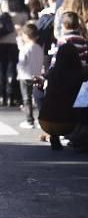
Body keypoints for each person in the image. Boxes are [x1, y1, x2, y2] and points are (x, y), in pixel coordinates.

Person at [39, 12, 87, 150]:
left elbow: (56, 61)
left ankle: (56, 137)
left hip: (48, 121)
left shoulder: (61, 41)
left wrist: (47, 75)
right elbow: (85, 58)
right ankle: (80, 135)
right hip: (77, 74)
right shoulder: (82, 40)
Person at [16, 22, 45, 129]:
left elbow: (22, 62)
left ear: (26, 35)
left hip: (25, 76)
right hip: (36, 75)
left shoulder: (25, 48)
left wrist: (18, 70)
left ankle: (29, 120)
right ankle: (40, 119)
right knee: (37, 98)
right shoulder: (39, 47)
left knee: (26, 98)